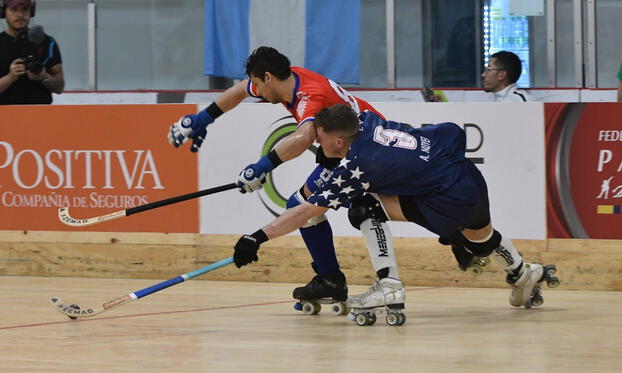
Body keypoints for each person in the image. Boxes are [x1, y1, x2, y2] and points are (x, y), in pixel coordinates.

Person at [232, 104, 558, 316]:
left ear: (337, 142)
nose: (317, 145)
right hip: (467, 177)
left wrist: (256, 237)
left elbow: (304, 212)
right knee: (482, 241)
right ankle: (522, 273)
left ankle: (388, 285)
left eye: (320, 140)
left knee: (363, 207)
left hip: (447, 198)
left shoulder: (356, 167)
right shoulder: (364, 119)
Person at [167, 46, 399, 305]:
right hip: (349, 145)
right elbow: (241, 89)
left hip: (365, 149)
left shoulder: (309, 95)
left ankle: (337, 280)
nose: (256, 90)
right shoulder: (287, 80)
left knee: (308, 207)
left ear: (268, 77)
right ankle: (330, 279)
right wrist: (203, 118)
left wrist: (263, 166)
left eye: (257, 82)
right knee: (306, 206)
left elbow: (304, 138)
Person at [0, 0, 64, 105]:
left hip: (40, 115)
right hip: (5, 116)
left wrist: (44, 77)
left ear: (32, 11)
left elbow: (59, 87)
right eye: (14, 9)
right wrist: (10, 77)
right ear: (3, 12)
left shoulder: (46, 42)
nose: (20, 14)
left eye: (25, 9)